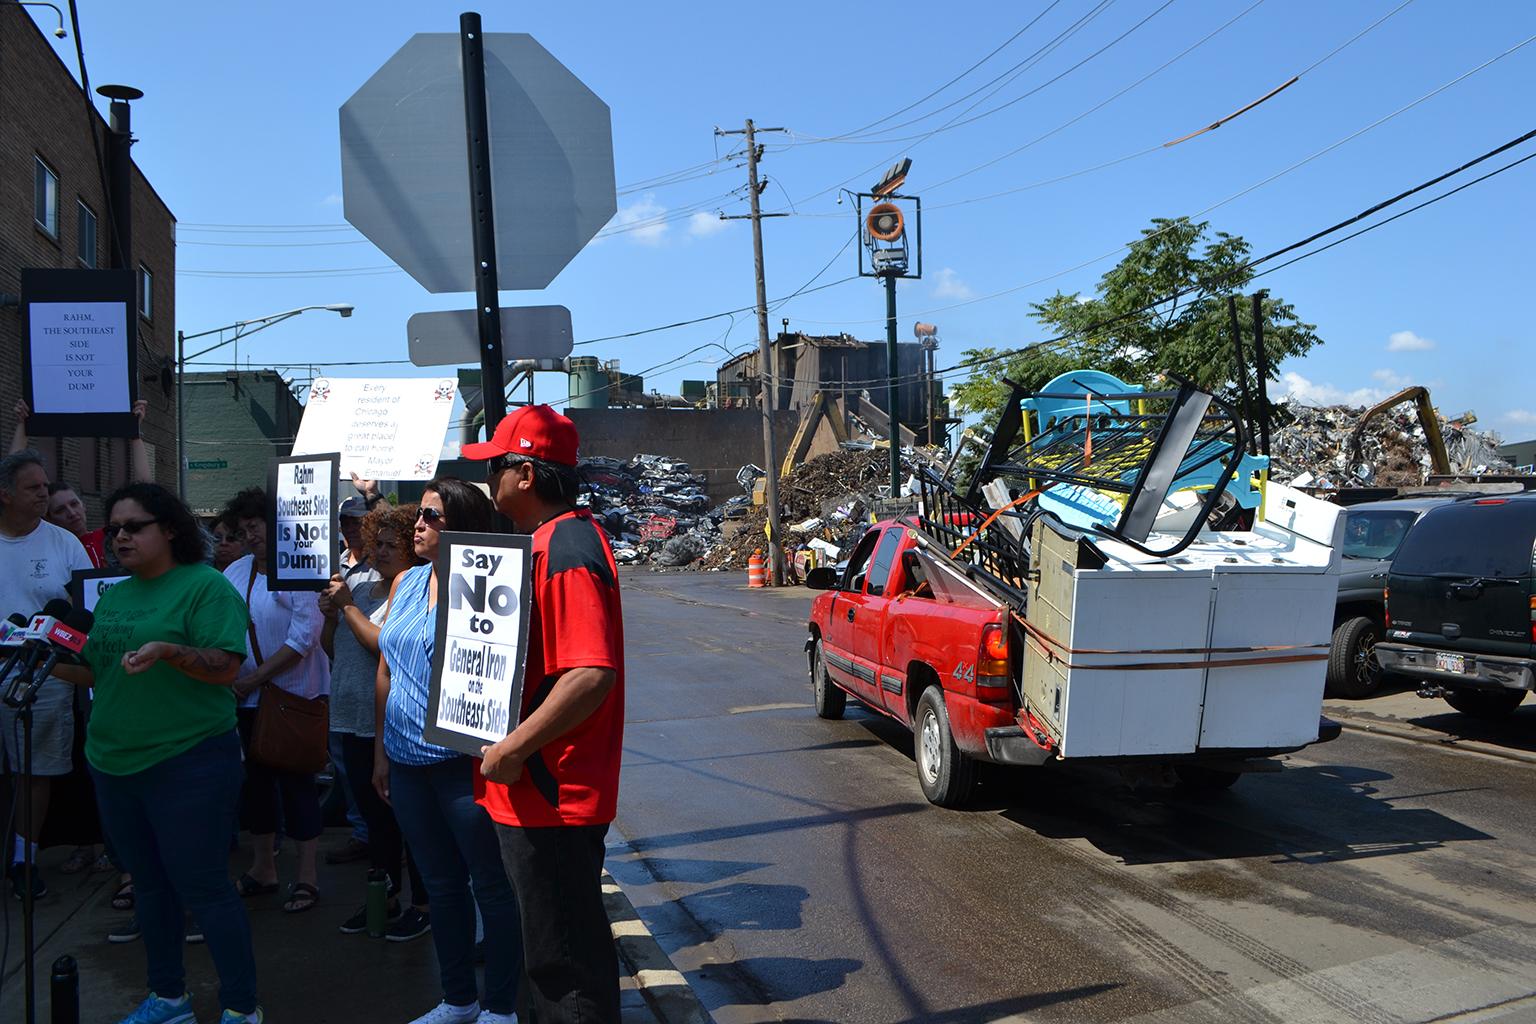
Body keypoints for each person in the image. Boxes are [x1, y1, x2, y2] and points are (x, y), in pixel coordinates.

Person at [53, 481, 263, 1023]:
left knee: (204, 886)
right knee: (149, 888)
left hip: (188, 762)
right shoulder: (117, 594)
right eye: (115, 527)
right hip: (114, 762)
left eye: (134, 526)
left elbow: (226, 668)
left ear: (168, 529)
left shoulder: (205, 587)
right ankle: (169, 999)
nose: (120, 536)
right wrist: (38, 656)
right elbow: (98, 670)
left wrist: (170, 651)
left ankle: (241, 1008)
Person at [468, 406, 625, 1023]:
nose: (490, 482)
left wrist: (512, 749)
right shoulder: (546, 541)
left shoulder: (565, 546)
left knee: (567, 970)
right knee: (551, 963)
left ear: (526, 474)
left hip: (551, 794)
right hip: (532, 793)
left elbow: (590, 674)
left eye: (497, 468)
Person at [374, 478, 522, 1024]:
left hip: (464, 767)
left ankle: (501, 1008)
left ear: (462, 527)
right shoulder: (406, 584)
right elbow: (385, 668)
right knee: (440, 885)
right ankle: (458, 1000)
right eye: (420, 515)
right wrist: (380, 755)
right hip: (407, 765)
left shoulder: (487, 586)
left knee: (491, 884)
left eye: (432, 517)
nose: (418, 525)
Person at [319, 500, 431, 940]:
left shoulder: (412, 588)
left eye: (390, 545)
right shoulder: (359, 583)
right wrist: (332, 616)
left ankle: (422, 904)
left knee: (404, 822)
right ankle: (382, 898)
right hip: (349, 715)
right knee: (373, 824)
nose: (379, 552)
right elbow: (334, 647)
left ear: (410, 550)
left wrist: (346, 608)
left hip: (384, 724)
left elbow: (383, 646)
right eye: (376, 543)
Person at [222, 487, 329, 914]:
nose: (249, 535)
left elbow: (304, 637)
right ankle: (263, 867)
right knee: (258, 789)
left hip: (294, 698)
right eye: (243, 529)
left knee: (299, 786)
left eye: (255, 526)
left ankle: (307, 876)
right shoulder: (237, 571)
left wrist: (255, 679)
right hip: (246, 701)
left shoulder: (300, 566)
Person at [0, 449, 95, 900]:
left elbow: (87, 613)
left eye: (46, 485)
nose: (44, 494)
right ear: (5, 495)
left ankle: (25, 859)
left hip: (44, 675)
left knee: (33, 771)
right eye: (33, 487)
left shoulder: (64, 544)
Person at [10, 398, 153, 568]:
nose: (71, 513)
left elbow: (146, 494)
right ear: (48, 518)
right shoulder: (46, 547)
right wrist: (23, 427)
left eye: (74, 504)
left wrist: (134, 433)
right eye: (60, 510)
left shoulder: (111, 538)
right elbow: (10, 481)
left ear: (83, 505)